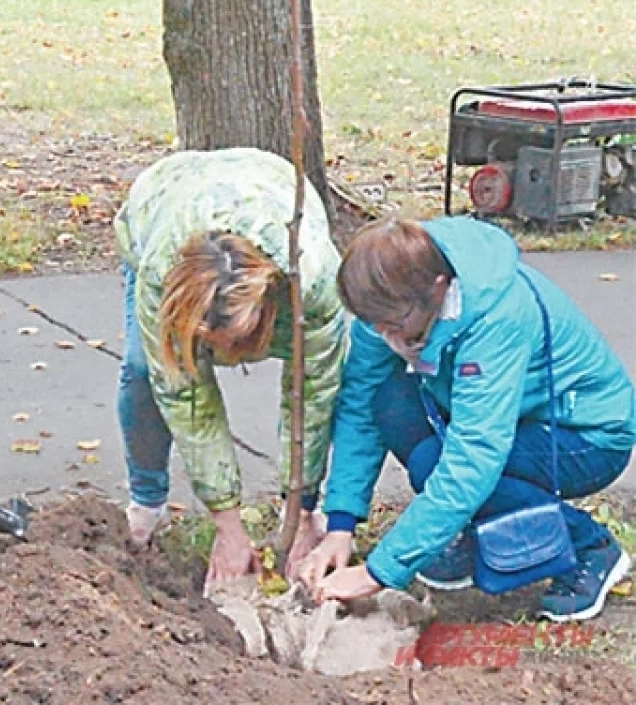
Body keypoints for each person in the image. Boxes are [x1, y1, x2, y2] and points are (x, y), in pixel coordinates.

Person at [300, 217, 634, 622]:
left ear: (438, 288)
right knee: (387, 400)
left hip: (585, 434)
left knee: (439, 466)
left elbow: (473, 459)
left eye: (394, 325)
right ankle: (468, 531)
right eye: (374, 325)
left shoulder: (498, 317)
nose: (383, 334)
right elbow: (360, 406)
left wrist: (377, 572)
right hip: (506, 417)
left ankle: (591, 548)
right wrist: (341, 523)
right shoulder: (390, 300)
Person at [112, 148, 348, 593]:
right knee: (145, 372)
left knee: (319, 387)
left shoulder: (311, 281)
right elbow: (186, 399)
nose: (225, 354)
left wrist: (300, 508)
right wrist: (228, 524)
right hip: (162, 198)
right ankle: (146, 502)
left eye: (235, 339)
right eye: (210, 341)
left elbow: (314, 395)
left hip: (269, 180)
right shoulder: (161, 276)